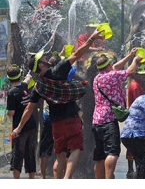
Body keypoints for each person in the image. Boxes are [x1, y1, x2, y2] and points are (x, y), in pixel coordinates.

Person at [11, 28, 105, 179]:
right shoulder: (58, 71)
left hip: (56, 123)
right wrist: (90, 40)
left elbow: (29, 109)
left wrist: (18, 127)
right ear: (40, 65)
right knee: (75, 149)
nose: (46, 58)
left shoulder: (39, 86)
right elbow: (77, 54)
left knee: (60, 156)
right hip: (71, 118)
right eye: (43, 59)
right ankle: (67, 179)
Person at [91, 48, 141, 179]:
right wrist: (135, 60)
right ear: (107, 65)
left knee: (100, 155)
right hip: (108, 120)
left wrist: (129, 56)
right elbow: (131, 71)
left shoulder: (97, 78)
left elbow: (114, 67)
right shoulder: (112, 76)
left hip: (97, 120)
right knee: (112, 152)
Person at [6, 64, 36, 179]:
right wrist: (28, 76)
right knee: (30, 153)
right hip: (31, 124)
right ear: (20, 76)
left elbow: (12, 112)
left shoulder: (11, 93)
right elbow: (27, 79)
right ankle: (31, 179)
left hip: (20, 127)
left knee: (18, 155)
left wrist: (7, 113)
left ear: (9, 79)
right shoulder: (24, 86)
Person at [125, 69, 145, 179]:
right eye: (141, 75)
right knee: (135, 143)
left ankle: (133, 168)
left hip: (136, 117)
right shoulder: (135, 87)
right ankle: (132, 169)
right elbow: (139, 103)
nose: (143, 77)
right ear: (136, 75)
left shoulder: (136, 85)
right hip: (136, 118)